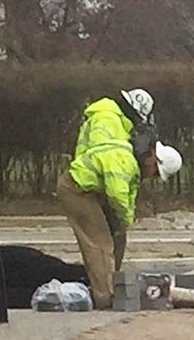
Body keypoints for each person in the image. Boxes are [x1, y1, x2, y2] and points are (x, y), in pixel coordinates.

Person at [56, 88, 156, 309]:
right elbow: (116, 187)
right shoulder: (108, 120)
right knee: (100, 243)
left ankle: (112, 285)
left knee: (114, 237)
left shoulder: (115, 125)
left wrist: (122, 221)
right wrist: (125, 217)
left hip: (90, 185)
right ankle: (106, 297)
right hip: (79, 187)